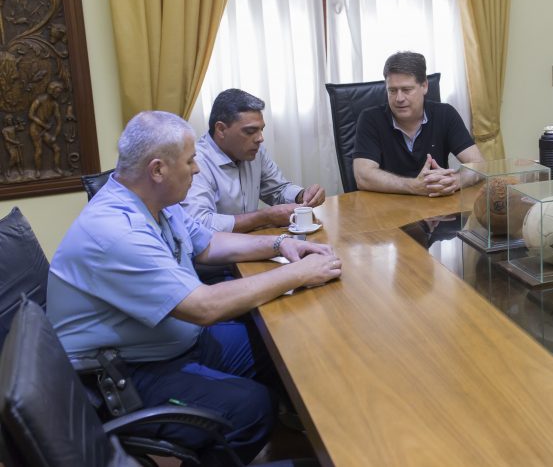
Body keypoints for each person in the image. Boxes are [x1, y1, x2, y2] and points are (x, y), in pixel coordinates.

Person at [47, 111, 341, 464]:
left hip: (173, 344)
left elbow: (208, 244)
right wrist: (300, 273)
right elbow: (204, 307)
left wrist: (281, 245)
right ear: (158, 170)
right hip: (125, 374)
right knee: (250, 408)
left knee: (282, 342)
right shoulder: (115, 231)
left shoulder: (154, 202)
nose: (198, 169)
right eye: (190, 161)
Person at [182, 89, 326, 232]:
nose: (260, 138)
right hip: (216, 251)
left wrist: (301, 195)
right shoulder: (195, 162)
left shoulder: (255, 151)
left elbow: (277, 189)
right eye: (250, 132)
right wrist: (264, 217)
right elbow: (200, 223)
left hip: (252, 243)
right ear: (220, 129)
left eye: (261, 130)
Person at [353, 51, 483, 195]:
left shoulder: (445, 114)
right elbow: (362, 177)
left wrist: (456, 180)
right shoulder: (370, 119)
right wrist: (413, 186)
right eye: (392, 91)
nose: (399, 98)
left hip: (437, 208)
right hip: (388, 209)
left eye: (406, 90)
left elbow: (479, 164)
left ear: (425, 86)